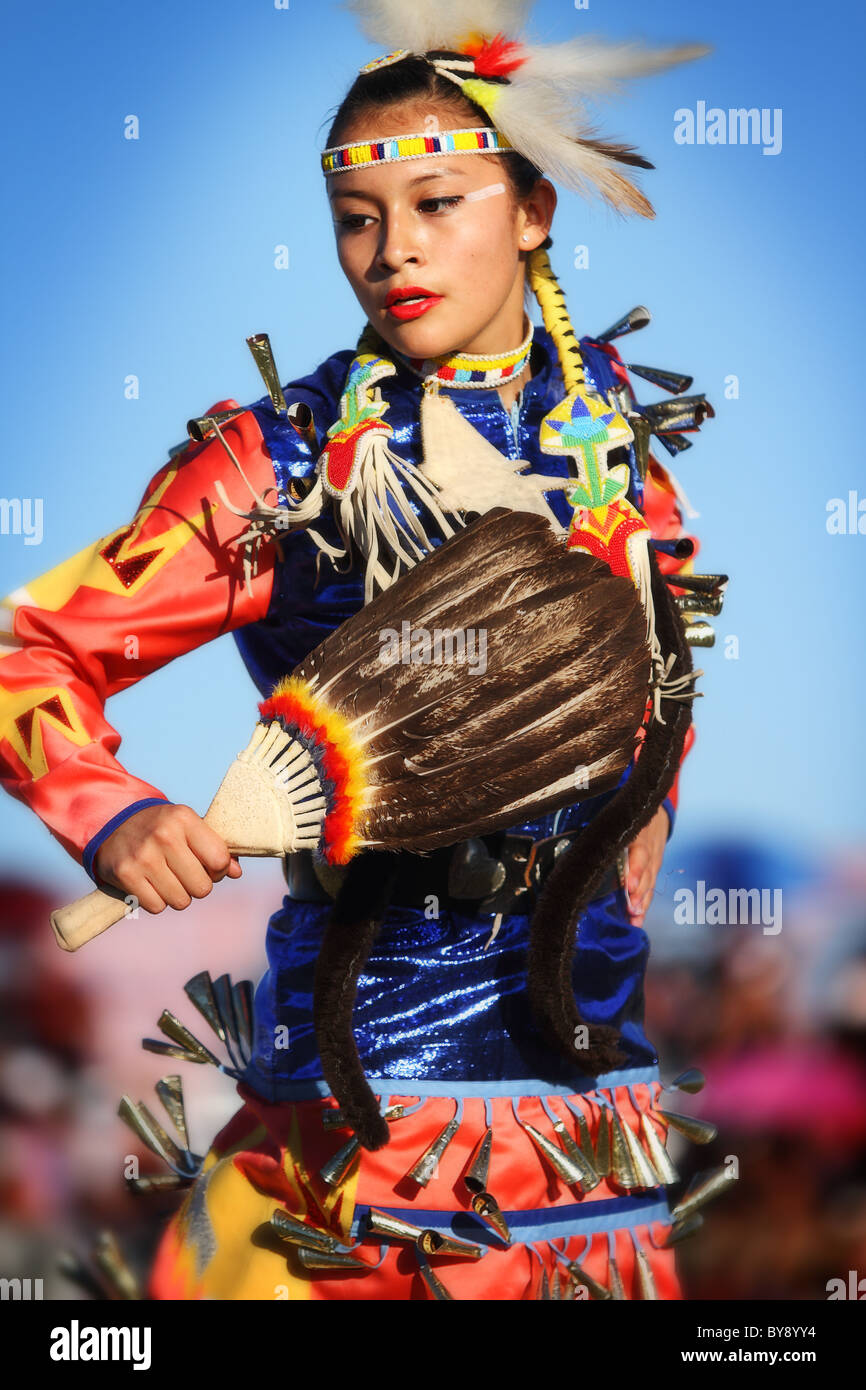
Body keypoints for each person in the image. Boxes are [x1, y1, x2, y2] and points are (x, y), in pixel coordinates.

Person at [0, 6, 721, 1300]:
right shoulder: (283, 468)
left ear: (533, 210)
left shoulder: (617, 437)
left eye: (437, 201)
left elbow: (657, 670)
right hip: (359, 1120)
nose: (393, 252)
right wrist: (115, 816)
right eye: (358, 217)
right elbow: (26, 649)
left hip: (589, 1120)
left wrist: (630, 827)